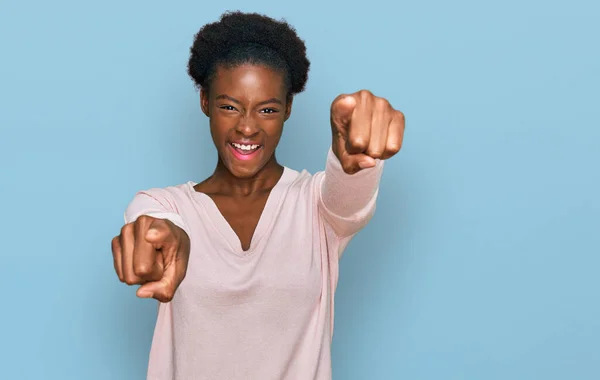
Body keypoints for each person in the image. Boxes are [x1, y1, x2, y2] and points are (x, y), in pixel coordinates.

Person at [111, 10, 405, 380]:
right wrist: (166, 242)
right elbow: (158, 228)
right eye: (229, 106)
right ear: (204, 101)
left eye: (266, 109)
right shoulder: (164, 206)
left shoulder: (316, 205)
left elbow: (347, 199)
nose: (247, 126)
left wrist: (357, 164)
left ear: (288, 109)